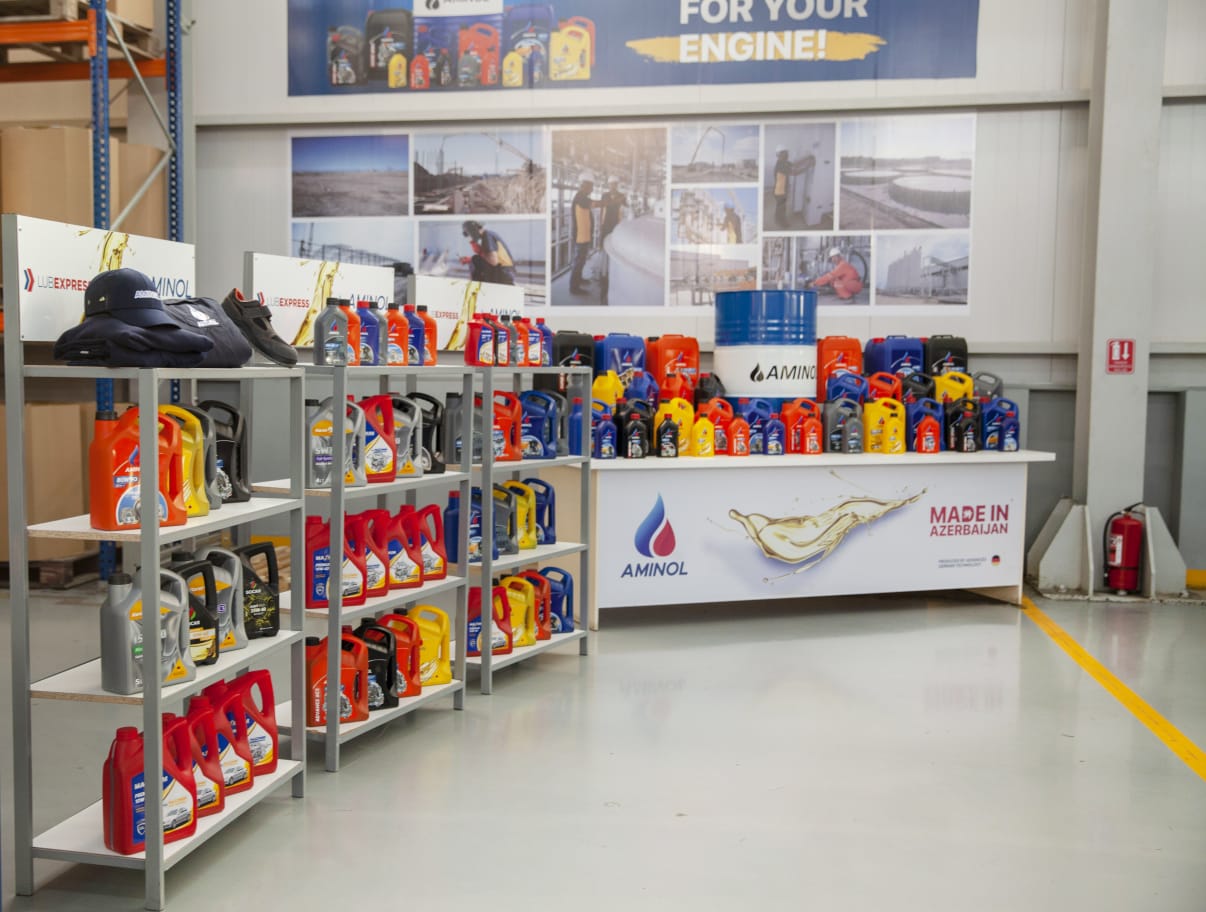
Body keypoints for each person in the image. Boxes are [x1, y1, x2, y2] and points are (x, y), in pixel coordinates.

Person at [461, 220, 516, 285]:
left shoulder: (487, 236)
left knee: (475, 260)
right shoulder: (488, 234)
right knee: (475, 260)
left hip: (505, 273)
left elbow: (493, 261)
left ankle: (474, 286)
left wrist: (477, 254)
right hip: (506, 271)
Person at [570, 173, 599, 294]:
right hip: (580, 237)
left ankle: (579, 280)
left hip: (584, 235)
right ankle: (574, 288)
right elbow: (596, 204)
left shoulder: (582, 197)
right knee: (578, 262)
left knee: (581, 261)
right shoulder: (580, 198)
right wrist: (610, 201)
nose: (592, 189)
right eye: (591, 186)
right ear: (585, 185)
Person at [599, 177, 626, 247]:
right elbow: (602, 209)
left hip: (616, 220)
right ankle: (602, 250)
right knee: (604, 239)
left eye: (615, 184)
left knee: (613, 239)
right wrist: (600, 222)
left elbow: (626, 207)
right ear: (609, 185)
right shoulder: (605, 195)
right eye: (611, 184)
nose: (613, 186)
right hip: (606, 221)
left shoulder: (622, 196)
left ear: (617, 185)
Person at [772, 146, 791, 229]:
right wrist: (807, 167)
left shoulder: (783, 162)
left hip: (779, 190)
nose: (787, 155)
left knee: (779, 207)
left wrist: (807, 159)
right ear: (780, 154)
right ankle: (783, 223)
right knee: (782, 208)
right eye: (785, 153)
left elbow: (795, 164)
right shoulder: (781, 165)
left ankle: (777, 219)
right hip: (780, 191)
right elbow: (795, 172)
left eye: (787, 153)